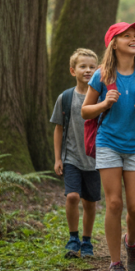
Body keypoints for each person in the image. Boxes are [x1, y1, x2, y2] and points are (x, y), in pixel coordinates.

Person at [81, 22, 135, 271]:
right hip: (108, 143)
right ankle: (115, 264)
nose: (133, 39)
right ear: (113, 43)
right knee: (114, 202)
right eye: (126, 36)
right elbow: (85, 110)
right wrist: (104, 103)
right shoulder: (102, 75)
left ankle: (132, 241)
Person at [50, 48, 101, 259]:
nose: (87, 70)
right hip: (71, 157)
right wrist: (57, 158)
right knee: (72, 196)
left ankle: (87, 241)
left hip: (96, 160)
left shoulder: (101, 96)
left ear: (98, 70)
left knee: (90, 203)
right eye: (83, 66)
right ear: (73, 71)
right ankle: (73, 238)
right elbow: (58, 128)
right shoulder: (66, 98)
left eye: (92, 67)